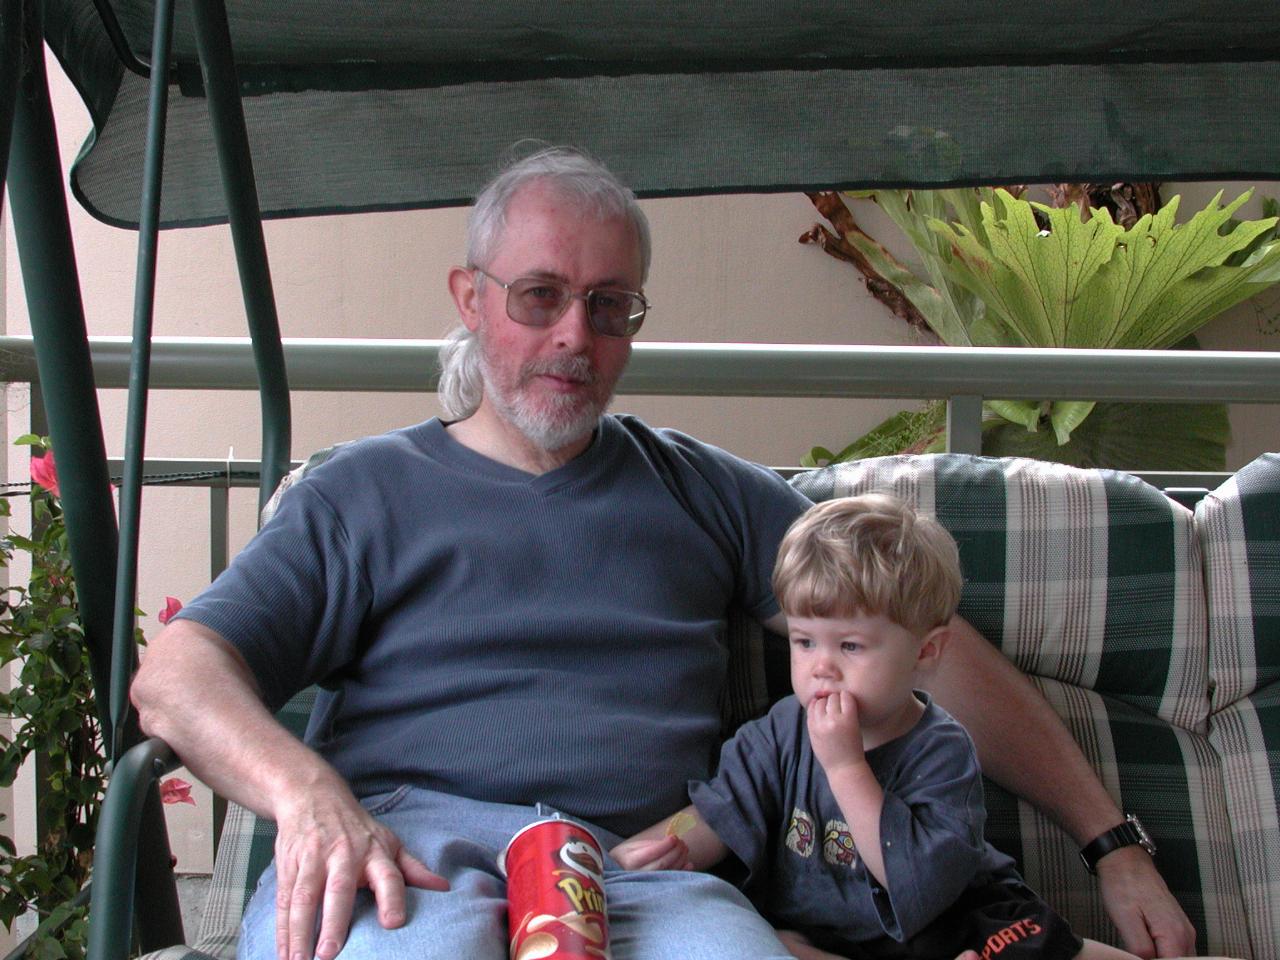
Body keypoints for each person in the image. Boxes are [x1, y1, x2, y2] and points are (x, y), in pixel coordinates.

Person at [130, 145, 1196, 960]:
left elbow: (919, 642)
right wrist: (308, 794)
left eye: (608, 308)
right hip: (411, 864)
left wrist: (1110, 843)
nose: (571, 339)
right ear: (470, 300)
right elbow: (178, 675)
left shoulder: (700, 488)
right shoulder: (359, 494)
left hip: (643, 870)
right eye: (538, 295)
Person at [611, 494, 1142, 960]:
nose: (822, 666)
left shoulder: (941, 750)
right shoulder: (780, 732)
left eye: (850, 646)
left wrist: (845, 766)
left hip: (955, 921)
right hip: (825, 934)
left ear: (925, 652)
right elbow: (718, 810)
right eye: (804, 642)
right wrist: (672, 847)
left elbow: (920, 881)